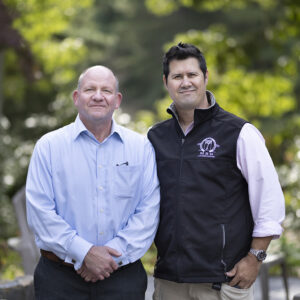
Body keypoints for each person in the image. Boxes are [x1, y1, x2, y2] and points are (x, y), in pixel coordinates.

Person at [147, 43, 285, 300]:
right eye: (177, 76)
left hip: (223, 281)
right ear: (166, 82)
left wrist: (255, 258)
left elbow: (269, 201)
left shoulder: (239, 133)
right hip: (169, 282)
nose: (185, 82)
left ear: (206, 77)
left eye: (192, 75)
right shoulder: (155, 137)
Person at [26, 65, 160, 300]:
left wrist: (107, 259)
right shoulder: (48, 147)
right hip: (58, 279)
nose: (98, 96)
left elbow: (148, 211)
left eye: (106, 90)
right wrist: (84, 253)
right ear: (77, 98)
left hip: (122, 279)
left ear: (117, 100)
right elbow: (40, 212)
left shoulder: (141, 149)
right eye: (90, 89)